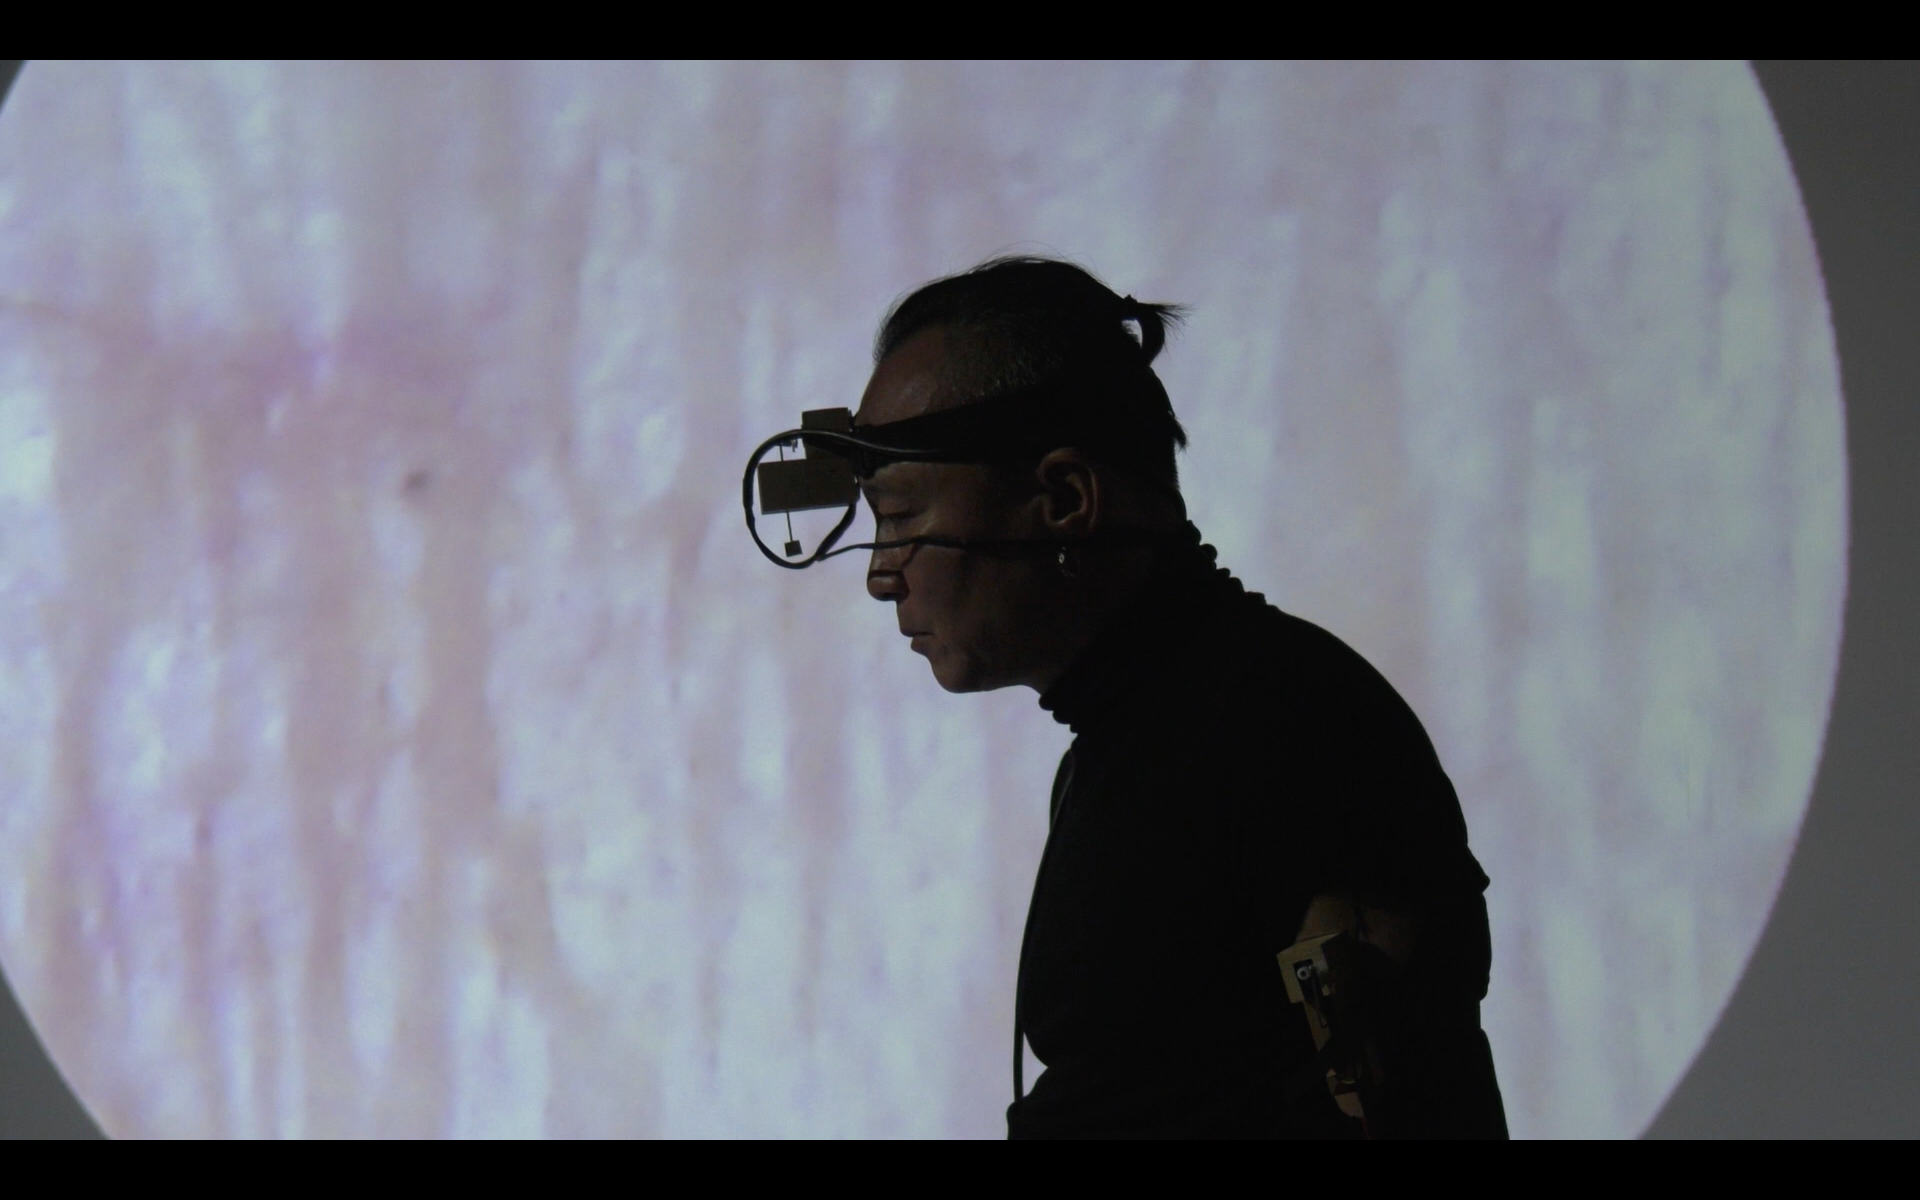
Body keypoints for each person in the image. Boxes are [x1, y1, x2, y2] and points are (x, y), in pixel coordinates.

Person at [853, 255, 1508, 1139]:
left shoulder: (1288, 724)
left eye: (899, 519)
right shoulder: (1159, 733)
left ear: (1065, 499)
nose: (880, 576)